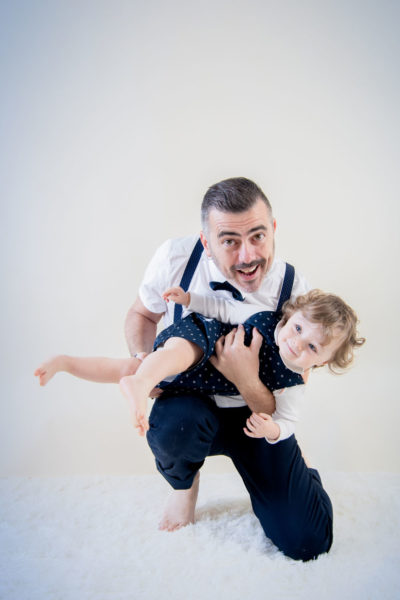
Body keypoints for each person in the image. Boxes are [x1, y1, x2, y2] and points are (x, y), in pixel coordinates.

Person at [121, 176, 349, 561]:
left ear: (273, 230)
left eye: (258, 236)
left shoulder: (295, 290)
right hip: (190, 406)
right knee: (175, 426)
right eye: (229, 241)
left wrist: (244, 376)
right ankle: (182, 486)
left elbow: (290, 389)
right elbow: (142, 313)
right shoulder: (175, 258)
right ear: (206, 242)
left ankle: (298, 471)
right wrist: (146, 361)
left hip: (257, 415)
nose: (247, 256)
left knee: (308, 541)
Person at [35, 288, 364, 447]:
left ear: (322, 361)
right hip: (202, 339)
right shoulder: (269, 316)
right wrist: (189, 300)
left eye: (312, 347)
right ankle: (139, 382)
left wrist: (273, 431)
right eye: (298, 329)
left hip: (201, 382)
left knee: (122, 368)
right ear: (291, 316)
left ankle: (67, 364)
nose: (297, 342)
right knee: (176, 351)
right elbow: (224, 306)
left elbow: (288, 420)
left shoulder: (293, 382)